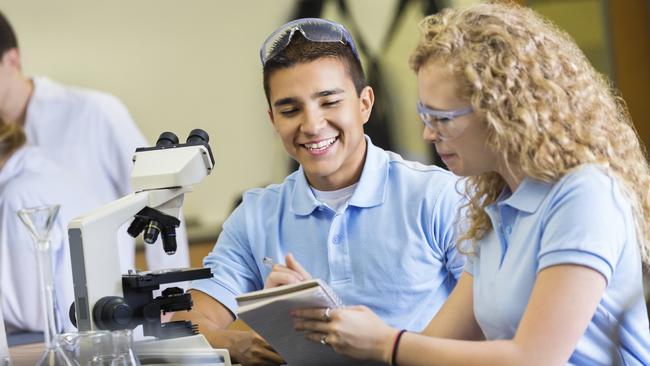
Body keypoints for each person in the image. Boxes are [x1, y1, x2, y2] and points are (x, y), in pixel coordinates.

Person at [292, 3, 650, 365]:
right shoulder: (493, 208)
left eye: (442, 118)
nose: (428, 133)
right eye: (424, 114)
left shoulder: (584, 195)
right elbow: (435, 344)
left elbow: (533, 359)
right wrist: (324, 309)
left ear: (504, 112)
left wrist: (388, 343)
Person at [172, 18, 465, 365]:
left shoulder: (438, 195)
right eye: (290, 110)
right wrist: (237, 344)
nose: (311, 126)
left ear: (364, 104)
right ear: (273, 120)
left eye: (329, 102)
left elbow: (495, 326)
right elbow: (182, 321)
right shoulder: (256, 216)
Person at [0, 10, 189, 273]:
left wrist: (172, 292)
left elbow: (160, 195)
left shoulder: (92, 112)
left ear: (13, 59)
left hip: (103, 295)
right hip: (25, 304)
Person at [0, 123, 100, 333]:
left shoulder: (18, 194)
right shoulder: (59, 174)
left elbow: (32, 313)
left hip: (62, 341)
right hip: (103, 330)